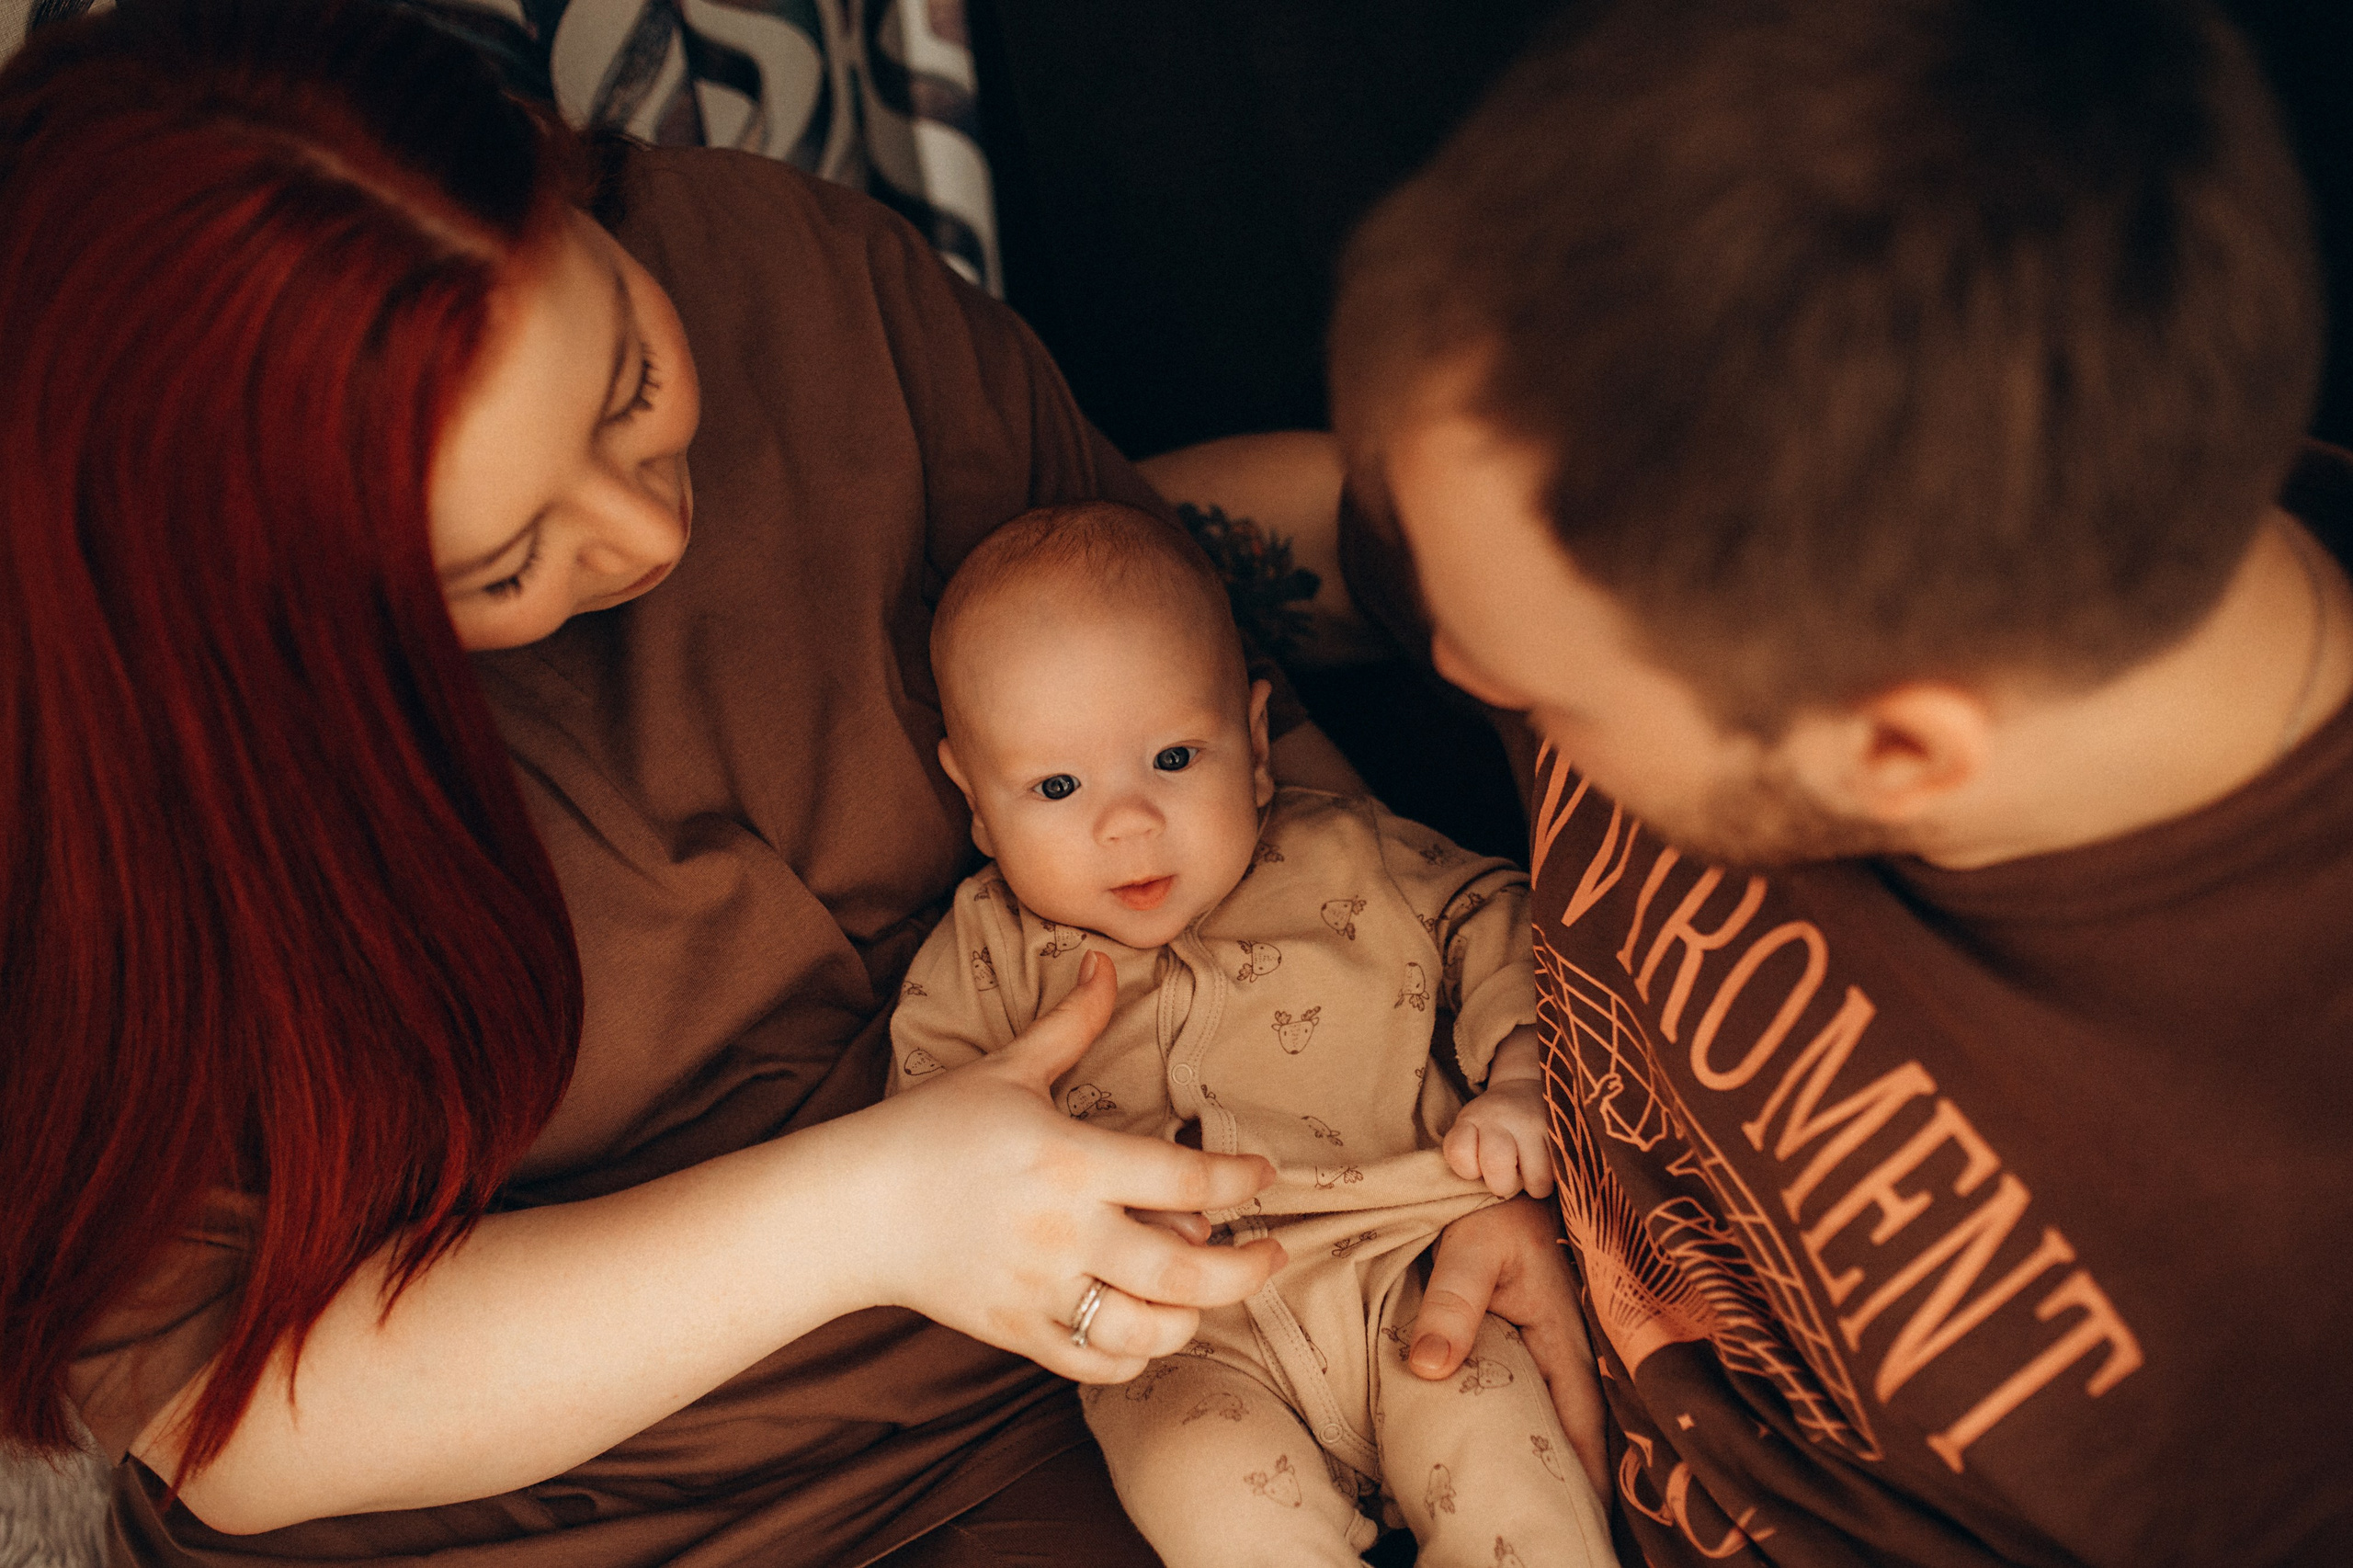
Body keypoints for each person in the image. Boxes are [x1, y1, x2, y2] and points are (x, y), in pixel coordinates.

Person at [0, 2, 1598, 1563]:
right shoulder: (109, 799)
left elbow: (1216, 739)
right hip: (575, 1511)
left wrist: (1431, 1173)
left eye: (631, 381)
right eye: (504, 566)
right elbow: (225, 1417)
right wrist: (872, 1211)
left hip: (1108, 1373)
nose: (647, 532)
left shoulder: (787, 275)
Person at [1324, 0, 2353, 1563]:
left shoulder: (2285, 1313)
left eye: (1539, 691)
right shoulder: (1717, 498)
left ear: (1900, 751)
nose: (1457, 663)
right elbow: (1296, 558)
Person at [889, 501, 1614, 1568]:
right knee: (1223, 1515)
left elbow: (1493, 914)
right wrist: (1065, 1232)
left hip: (1415, 1268)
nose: (1127, 821)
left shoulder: (1350, 851)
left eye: (1174, 756)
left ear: (1257, 743)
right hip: (1180, 1341)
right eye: (1056, 785)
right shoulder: (983, 955)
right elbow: (926, 1147)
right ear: (977, 803)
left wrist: (1515, 1070)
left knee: (1522, 1508)